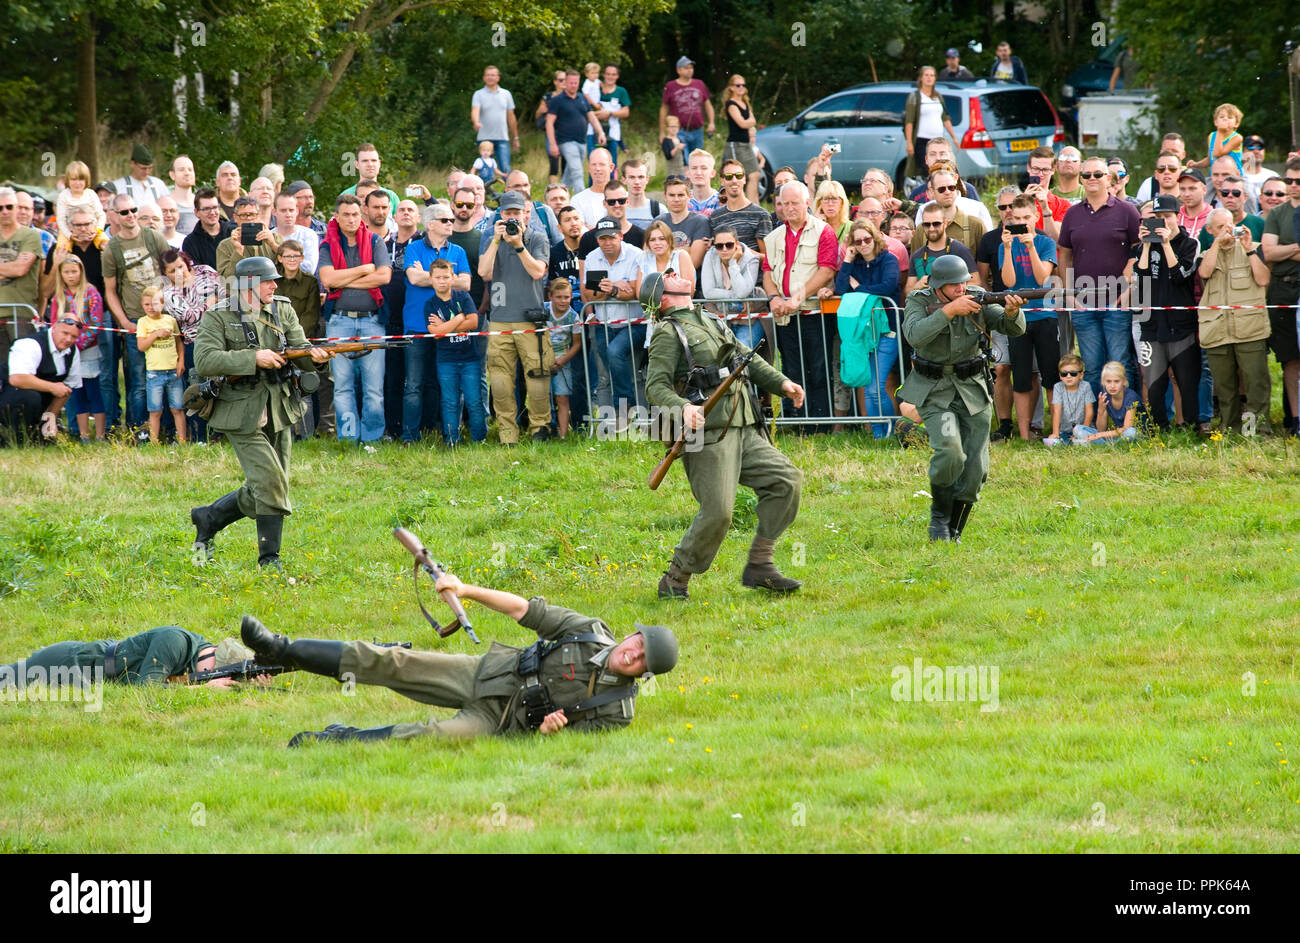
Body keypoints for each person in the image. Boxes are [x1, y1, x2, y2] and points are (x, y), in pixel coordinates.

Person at [238, 577, 679, 744]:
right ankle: (281, 648)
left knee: (434, 738)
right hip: (486, 672)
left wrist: (550, 734)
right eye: (637, 642)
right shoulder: (589, 630)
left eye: (642, 660)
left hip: (501, 721)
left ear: (645, 674)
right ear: (631, 634)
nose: (632, 653)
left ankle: (338, 739)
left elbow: (570, 749)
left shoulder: (617, 712)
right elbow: (525, 610)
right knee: (391, 662)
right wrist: (466, 590)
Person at [644, 270, 805, 598]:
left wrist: (782, 383)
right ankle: (676, 578)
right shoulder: (668, 331)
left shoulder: (709, 319)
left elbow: (746, 360)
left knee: (786, 481)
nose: (676, 272)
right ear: (661, 297)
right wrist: (682, 407)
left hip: (743, 426)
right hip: (709, 434)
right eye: (668, 274)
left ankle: (760, 564)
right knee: (718, 510)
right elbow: (655, 385)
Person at [191, 256, 334, 567]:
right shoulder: (218, 316)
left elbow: (300, 349)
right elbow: (205, 360)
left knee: (269, 484)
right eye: (267, 280)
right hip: (240, 410)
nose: (274, 285)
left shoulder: (281, 309)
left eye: (274, 280)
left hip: (280, 406)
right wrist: (253, 358)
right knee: (270, 483)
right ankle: (269, 560)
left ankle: (209, 517)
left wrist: (319, 359)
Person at [896, 254, 1025, 541]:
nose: (961, 289)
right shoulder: (918, 301)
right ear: (938, 286)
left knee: (976, 468)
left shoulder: (978, 297)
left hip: (973, 389)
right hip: (934, 390)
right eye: (954, 285)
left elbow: (1013, 329)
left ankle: (953, 530)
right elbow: (915, 335)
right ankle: (939, 519)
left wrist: (1013, 312)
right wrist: (949, 311)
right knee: (950, 451)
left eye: (964, 283)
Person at [1057, 156, 1142, 395]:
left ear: (1109, 178)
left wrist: (1128, 289)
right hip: (1082, 303)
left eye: (1097, 174)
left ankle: (1128, 419)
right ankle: (1095, 422)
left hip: (1117, 300)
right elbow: (1064, 254)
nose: (1092, 178)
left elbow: (1140, 249)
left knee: (1120, 364)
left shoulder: (1127, 211)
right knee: (1093, 367)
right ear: (1081, 179)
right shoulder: (1073, 214)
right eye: (1086, 175)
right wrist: (1068, 292)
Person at [762, 181, 839, 432]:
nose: (789, 208)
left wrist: (798, 297)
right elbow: (767, 273)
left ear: (807, 202)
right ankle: (794, 422)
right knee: (791, 369)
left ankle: (819, 424)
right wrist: (774, 298)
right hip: (785, 316)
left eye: (795, 202)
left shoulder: (823, 231)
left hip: (813, 313)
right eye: (784, 203)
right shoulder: (772, 238)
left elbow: (827, 270)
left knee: (818, 367)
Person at [479, 190, 552, 443]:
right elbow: (484, 273)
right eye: (508, 213)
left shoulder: (538, 238)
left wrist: (519, 245)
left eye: (516, 213)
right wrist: (497, 241)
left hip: (531, 319)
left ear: (526, 214)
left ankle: (540, 429)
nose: (512, 218)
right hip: (500, 319)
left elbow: (537, 272)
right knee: (499, 381)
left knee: (538, 379)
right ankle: (507, 433)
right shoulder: (490, 237)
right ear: (500, 214)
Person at [319, 194, 391, 443]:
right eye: (346, 215)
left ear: (362, 215)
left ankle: (372, 438)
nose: (351, 219)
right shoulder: (328, 245)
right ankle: (348, 438)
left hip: (372, 321)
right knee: (342, 385)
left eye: (355, 214)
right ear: (336, 217)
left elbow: (383, 277)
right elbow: (328, 280)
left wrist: (344, 280)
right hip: (339, 321)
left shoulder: (374, 241)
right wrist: (363, 269)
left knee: (373, 387)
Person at [1198, 208, 1272, 436]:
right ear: (1209, 231)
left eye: (1229, 226)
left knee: (1255, 384)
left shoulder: (1254, 249)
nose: (1226, 231)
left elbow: (1263, 279)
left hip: (1249, 328)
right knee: (1225, 387)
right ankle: (1229, 429)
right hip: (1217, 329)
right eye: (1220, 228)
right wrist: (1216, 244)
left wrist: (1249, 249)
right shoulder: (1207, 254)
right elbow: (1204, 273)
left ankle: (1255, 430)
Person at [1131, 195, 1200, 431]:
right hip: (1152, 325)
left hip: (1182, 327)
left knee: (1186, 381)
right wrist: (1147, 245)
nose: (1162, 222)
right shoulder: (1144, 246)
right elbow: (1141, 278)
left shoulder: (1189, 243)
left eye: (1167, 217)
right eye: (1157, 218)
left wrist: (1167, 243)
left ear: (1177, 216)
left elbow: (1180, 276)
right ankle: (1159, 427)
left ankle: (1189, 427)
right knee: (1154, 384)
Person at [0, 628, 256, 691]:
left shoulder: (194, 659)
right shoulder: (175, 642)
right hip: (76, 662)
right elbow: (147, 689)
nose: (211, 678)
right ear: (211, 655)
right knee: (7, 680)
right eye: (215, 673)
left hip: (92, 677)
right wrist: (203, 690)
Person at [103, 192, 168, 434]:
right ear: (115, 216)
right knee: (139, 380)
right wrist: (123, 321)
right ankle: (138, 430)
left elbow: (170, 270)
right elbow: (110, 290)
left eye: (133, 210)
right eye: (124, 212)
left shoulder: (153, 237)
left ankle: (166, 430)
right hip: (134, 321)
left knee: (167, 375)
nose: (130, 215)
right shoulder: (112, 248)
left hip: (162, 317)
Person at [834, 218, 901, 437]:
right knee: (869, 386)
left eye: (867, 239)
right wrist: (847, 259)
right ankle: (878, 435)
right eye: (858, 241)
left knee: (875, 387)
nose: (863, 244)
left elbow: (887, 287)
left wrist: (859, 288)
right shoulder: (855, 263)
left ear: (875, 238)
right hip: (864, 333)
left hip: (887, 331)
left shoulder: (888, 260)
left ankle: (887, 432)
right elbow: (842, 289)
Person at [1000, 194, 1058, 440]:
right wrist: (1007, 248)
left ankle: (1056, 431)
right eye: (1017, 218)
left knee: (1051, 377)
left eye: (1027, 218)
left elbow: (1042, 278)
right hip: (1019, 318)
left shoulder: (1045, 243)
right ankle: (1024, 434)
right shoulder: (1006, 244)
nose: (1022, 223)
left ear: (1035, 217)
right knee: (1021, 377)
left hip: (1045, 314)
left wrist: (1031, 246)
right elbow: (1009, 282)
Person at [423, 258, 484, 446]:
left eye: (446, 277)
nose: (442, 281)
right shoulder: (430, 304)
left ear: (452, 278)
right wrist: (458, 319)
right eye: (438, 277)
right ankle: (451, 440)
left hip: (469, 359)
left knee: (474, 400)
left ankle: (479, 438)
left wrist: (446, 326)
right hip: (446, 361)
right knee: (449, 401)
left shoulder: (463, 297)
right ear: (431, 279)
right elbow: (436, 333)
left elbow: (473, 323)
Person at [45, 254, 105, 441]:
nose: (71, 276)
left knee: (94, 391)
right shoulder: (58, 297)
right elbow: (54, 323)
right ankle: (84, 434)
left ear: (81, 272)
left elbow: (95, 323)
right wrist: (66, 345)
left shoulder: (91, 293)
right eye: (66, 272)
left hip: (88, 350)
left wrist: (76, 344)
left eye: (74, 271)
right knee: (76, 392)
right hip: (68, 352)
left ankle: (101, 435)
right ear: (60, 274)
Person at [1260, 156, 1300, 435]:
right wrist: (1297, 246)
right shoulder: (1277, 214)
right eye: (1289, 181)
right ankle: (1294, 420)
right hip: (1283, 287)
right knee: (1290, 359)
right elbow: (1270, 252)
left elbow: (1278, 250)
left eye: (1298, 181)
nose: (1294, 185)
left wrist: (1286, 249)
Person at [0, 317, 82, 442]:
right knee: (30, 397)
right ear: (53, 328)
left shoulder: (73, 351)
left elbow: (66, 389)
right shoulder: (30, 344)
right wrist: (53, 387)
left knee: (38, 397)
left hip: (40, 402)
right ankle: (15, 437)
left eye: (74, 337)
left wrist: (51, 417)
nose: (68, 340)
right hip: (8, 397)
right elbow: (17, 379)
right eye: (65, 333)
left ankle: (38, 433)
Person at [0, 186, 45, 367]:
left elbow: (20, 269)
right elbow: (14, 267)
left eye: (9, 207)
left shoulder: (31, 235)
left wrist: (13, 267)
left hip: (21, 315)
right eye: (0, 207)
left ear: (17, 208)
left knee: (22, 370)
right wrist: (8, 267)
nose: (4, 211)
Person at [136, 285, 186, 444]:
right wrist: (156, 335)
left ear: (163, 304)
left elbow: (179, 342)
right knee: (155, 411)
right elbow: (141, 346)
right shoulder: (142, 322)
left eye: (155, 304)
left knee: (177, 408)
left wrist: (181, 361)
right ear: (142, 305)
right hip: (154, 373)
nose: (151, 307)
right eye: (147, 304)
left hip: (173, 372)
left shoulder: (170, 320)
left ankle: (182, 440)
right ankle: (154, 442)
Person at [702, 225, 764, 350]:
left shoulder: (751, 259)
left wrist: (733, 263)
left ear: (737, 244)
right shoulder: (710, 256)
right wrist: (735, 296)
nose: (724, 249)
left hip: (748, 319)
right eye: (719, 246)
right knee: (721, 356)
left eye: (729, 245)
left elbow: (742, 292)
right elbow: (708, 292)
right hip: (721, 318)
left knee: (741, 352)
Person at [546, 70, 606, 197]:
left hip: (581, 141)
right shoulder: (557, 100)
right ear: (566, 83)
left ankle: (559, 197)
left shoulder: (582, 98)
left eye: (576, 83)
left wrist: (600, 132)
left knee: (569, 174)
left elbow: (591, 117)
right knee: (578, 172)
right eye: (571, 83)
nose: (573, 85)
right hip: (566, 141)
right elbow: (549, 123)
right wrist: (552, 144)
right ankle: (584, 200)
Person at [903, 66, 959, 183]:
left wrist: (953, 137)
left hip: (938, 140)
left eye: (932, 75)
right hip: (922, 141)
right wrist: (909, 143)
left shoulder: (937, 96)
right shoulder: (915, 97)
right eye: (926, 75)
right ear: (921, 78)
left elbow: (945, 118)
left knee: (941, 168)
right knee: (927, 169)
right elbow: (909, 121)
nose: (929, 78)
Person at [544, 277, 582, 437]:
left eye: (566, 297)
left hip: (562, 361)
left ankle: (563, 435)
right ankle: (544, 431)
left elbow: (577, 344)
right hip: (542, 358)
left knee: (562, 398)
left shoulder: (574, 317)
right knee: (543, 397)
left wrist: (562, 360)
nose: (563, 301)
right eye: (558, 297)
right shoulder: (543, 310)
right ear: (550, 296)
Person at [710, 157, 773, 253]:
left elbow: (767, 260)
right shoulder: (715, 217)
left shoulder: (761, 215)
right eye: (729, 177)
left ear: (744, 179)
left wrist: (742, 251)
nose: (734, 180)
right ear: (722, 181)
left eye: (738, 176)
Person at [720, 74, 762, 203]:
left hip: (746, 144)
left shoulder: (745, 103)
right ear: (731, 88)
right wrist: (748, 121)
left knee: (755, 175)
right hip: (735, 144)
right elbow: (742, 123)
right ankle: (736, 205)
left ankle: (755, 206)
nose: (741, 88)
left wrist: (748, 121)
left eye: (743, 85)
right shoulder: (731, 104)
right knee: (735, 177)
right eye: (738, 85)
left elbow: (752, 121)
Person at [471, 66, 519, 176]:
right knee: (483, 170)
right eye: (487, 75)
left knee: (506, 168)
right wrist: (475, 122)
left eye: (493, 75)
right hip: (484, 138)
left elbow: (511, 116)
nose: (490, 77)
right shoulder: (478, 94)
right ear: (484, 78)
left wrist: (515, 137)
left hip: (502, 138)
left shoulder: (506, 94)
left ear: (498, 78)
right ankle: (483, 192)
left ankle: (508, 192)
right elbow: (475, 111)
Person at [1075, 360, 1140, 443]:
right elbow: (1101, 429)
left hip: (1133, 433)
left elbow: (1126, 428)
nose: (1112, 386)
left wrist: (1099, 435)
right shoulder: (1105, 394)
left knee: (1130, 433)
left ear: (1124, 381)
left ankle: (1091, 443)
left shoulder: (1131, 396)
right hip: (1117, 435)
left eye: (1116, 381)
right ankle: (1106, 443)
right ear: (1103, 382)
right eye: (1108, 381)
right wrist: (1101, 411)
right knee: (1078, 429)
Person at [660, 56, 714, 154]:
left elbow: (708, 105)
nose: (689, 70)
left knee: (697, 158)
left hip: (698, 130)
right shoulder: (670, 86)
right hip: (679, 131)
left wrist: (711, 122)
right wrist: (662, 132)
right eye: (686, 68)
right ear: (678, 70)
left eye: (691, 68)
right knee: (682, 160)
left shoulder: (700, 84)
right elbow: (664, 109)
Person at [1043, 353, 1094, 446]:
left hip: (1083, 428)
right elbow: (1056, 411)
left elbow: (1089, 412)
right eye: (1064, 374)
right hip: (1065, 431)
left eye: (1073, 373)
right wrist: (1055, 433)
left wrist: (1082, 432)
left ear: (1081, 375)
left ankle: (1081, 440)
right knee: (1054, 443)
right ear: (1060, 375)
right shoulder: (1058, 387)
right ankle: (1065, 440)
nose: (1068, 376)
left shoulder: (1086, 386)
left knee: (1085, 442)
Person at [181, 189, 233, 271]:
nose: (212, 212)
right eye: (206, 209)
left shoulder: (233, 233)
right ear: (196, 212)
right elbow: (196, 274)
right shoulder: (190, 242)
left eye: (215, 207)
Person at [1188, 102, 1244, 173]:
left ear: (1236, 123)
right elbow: (1210, 159)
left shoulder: (1237, 138)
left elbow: (1217, 154)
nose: (1225, 119)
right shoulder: (1211, 136)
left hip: (1233, 178)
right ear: (1216, 122)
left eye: (1230, 117)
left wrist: (1220, 131)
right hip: (1216, 176)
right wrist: (1196, 164)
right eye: (1221, 117)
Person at [55, 160, 105, 236]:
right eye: (73, 179)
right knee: (62, 246)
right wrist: (69, 235)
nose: (77, 183)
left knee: (104, 243)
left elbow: (101, 215)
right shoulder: (64, 196)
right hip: (70, 231)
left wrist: (97, 230)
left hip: (92, 231)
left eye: (81, 179)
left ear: (86, 180)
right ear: (68, 180)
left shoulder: (91, 194)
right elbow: (61, 219)